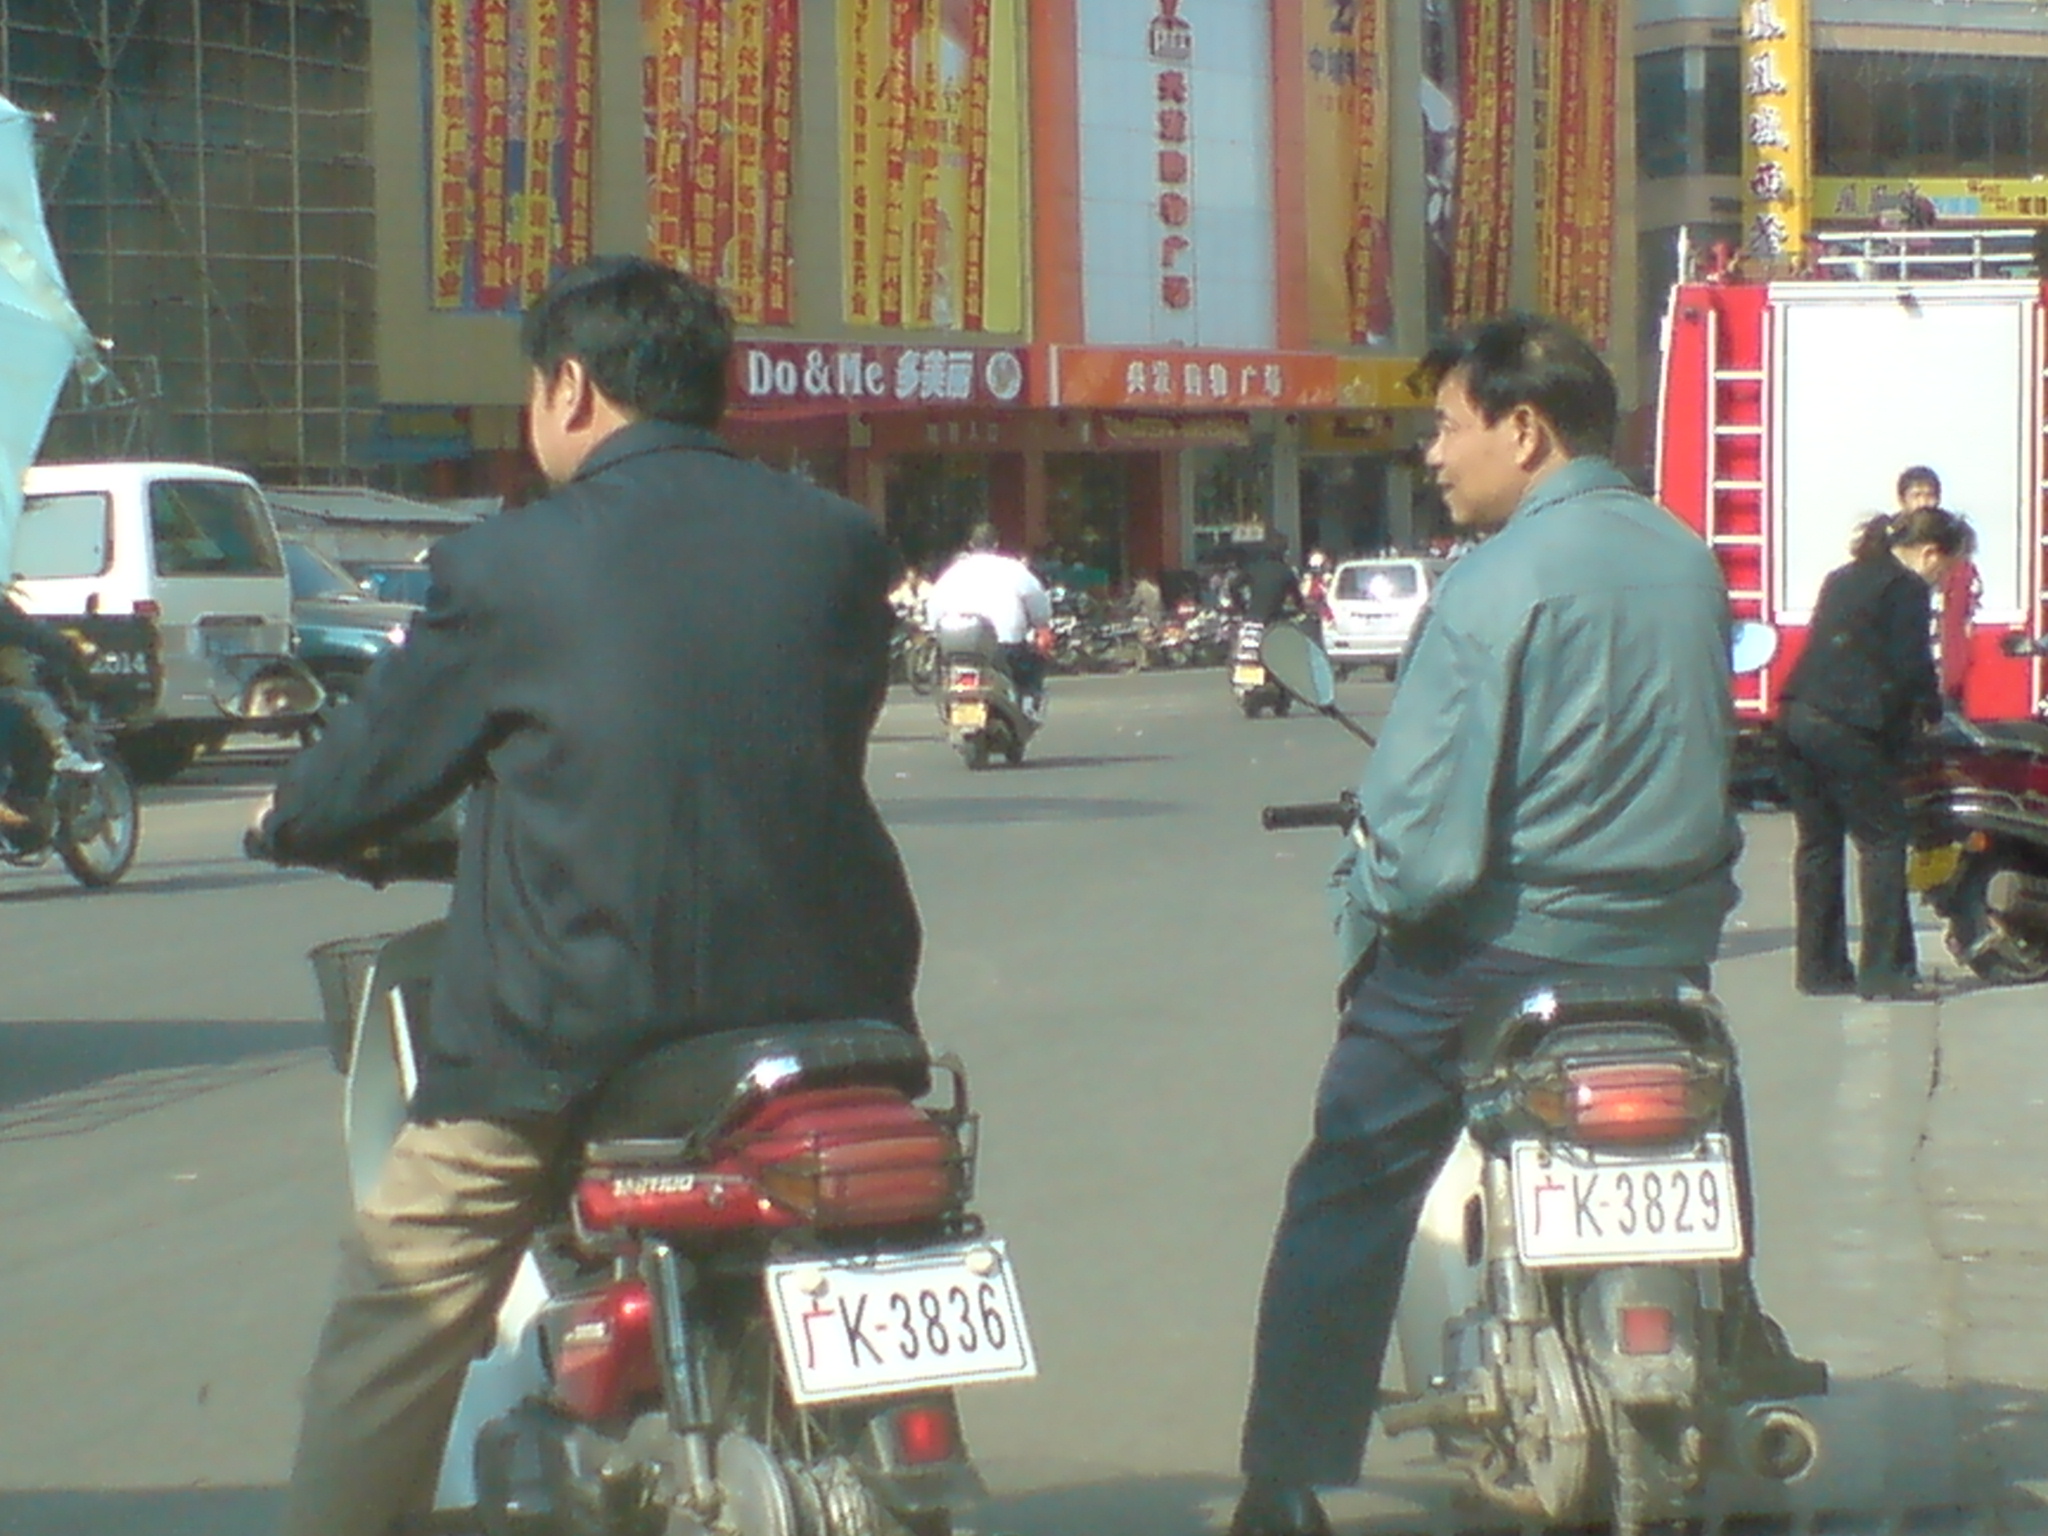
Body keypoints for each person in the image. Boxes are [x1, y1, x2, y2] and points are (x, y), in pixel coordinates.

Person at [251, 256, 922, 1536]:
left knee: (398, 1302)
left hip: (583, 1032)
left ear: (569, 387)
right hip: (837, 1014)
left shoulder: (509, 564)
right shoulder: (837, 542)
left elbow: (365, 776)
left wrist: (284, 818)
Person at [1229, 312, 1816, 1536]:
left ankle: (1286, 1477)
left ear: (1525, 430)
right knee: (1704, 1104)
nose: (1434, 454)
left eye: (1449, 427)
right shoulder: (1684, 559)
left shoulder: (1494, 582)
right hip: (1662, 949)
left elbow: (1424, 844)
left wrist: (1369, 903)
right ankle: (1737, 1319)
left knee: (1347, 1180)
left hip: (1499, 959)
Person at [1777, 505, 1967, 1002]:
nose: (1943, 578)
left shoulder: (1844, 576)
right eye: (1947, 567)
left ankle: (1819, 968)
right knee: (1883, 839)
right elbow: (1910, 663)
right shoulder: (1906, 587)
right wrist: (1932, 712)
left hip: (1796, 716)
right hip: (1848, 726)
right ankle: (1886, 971)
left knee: (1818, 844)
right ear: (1931, 553)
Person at [926, 521, 1053, 717]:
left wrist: (938, 632)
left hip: (957, 651)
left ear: (971, 544)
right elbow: (1038, 601)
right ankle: (1028, 705)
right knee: (1034, 664)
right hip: (1006, 647)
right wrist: (1040, 624)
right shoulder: (1014, 569)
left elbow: (934, 609)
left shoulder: (953, 573)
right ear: (996, 544)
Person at [1894, 468, 1982, 707]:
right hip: (1902, 682)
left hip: (1946, 675)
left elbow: (1969, 608)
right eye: (1916, 495)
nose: (1924, 502)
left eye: (1930, 495)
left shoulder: (1953, 545)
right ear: (1903, 500)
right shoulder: (1892, 549)